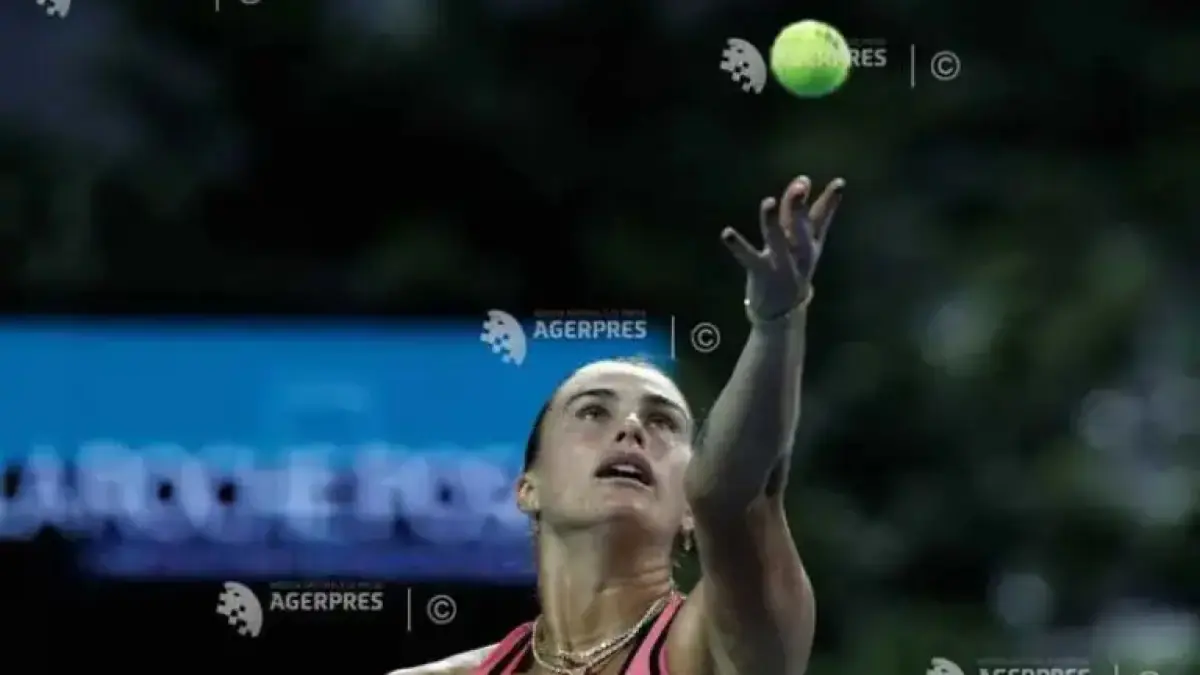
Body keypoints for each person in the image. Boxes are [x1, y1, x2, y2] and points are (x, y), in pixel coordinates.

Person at [390, 174, 844, 675]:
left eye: (663, 421)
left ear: (687, 510)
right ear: (528, 488)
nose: (631, 428)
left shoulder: (714, 649)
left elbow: (735, 495)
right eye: (592, 411)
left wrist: (777, 323)